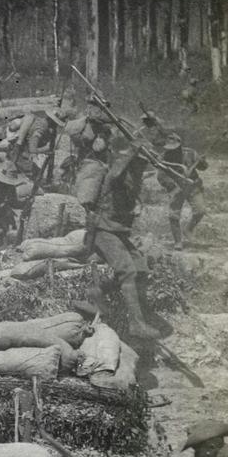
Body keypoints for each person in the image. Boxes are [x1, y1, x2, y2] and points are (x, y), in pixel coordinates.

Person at [78, 140, 161, 343]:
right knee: (127, 269)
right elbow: (115, 174)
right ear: (131, 163)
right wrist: (131, 150)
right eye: (138, 164)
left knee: (140, 269)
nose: (141, 169)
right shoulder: (117, 175)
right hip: (101, 230)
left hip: (118, 232)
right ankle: (136, 324)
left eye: (143, 165)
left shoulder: (134, 181)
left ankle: (97, 291)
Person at [157, 133, 208, 249]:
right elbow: (161, 176)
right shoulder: (164, 157)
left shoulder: (190, 153)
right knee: (173, 215)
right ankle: (177, 241)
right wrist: (172, 187)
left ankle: (188, 228)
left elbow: (203, 168)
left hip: (193, 186)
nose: (172, 151)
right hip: (176, 188)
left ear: (180, 145)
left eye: (174, 147)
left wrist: (202, 162)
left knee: (200, 210)